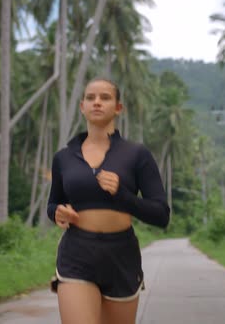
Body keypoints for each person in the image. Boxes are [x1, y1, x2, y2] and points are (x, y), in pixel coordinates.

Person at [47, 77, 170, 324]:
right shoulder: (64, 157)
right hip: (77, 252)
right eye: (90, 98)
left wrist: (122, 195)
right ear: (82, 106)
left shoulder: (137, 154)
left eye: (105, 97)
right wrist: (58, 213)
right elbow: (52, 204)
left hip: (122, 255)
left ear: (118, 107)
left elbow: (161, 214)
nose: (97, 102)